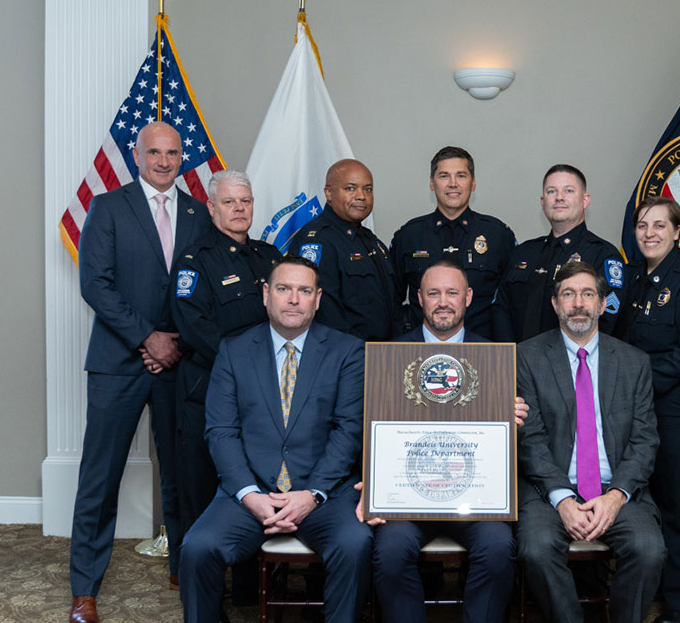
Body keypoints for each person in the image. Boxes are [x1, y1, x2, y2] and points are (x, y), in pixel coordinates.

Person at [69, 122, 211, 623]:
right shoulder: (108, 207)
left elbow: (202, 287)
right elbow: (96, 284)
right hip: (118, 362)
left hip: (179, 361)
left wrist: (172, 341)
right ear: (136, 154)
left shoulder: (199, 212)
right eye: (155, 152)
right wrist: (146, 338)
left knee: (181, 474)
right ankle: (84, 587)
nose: (165, 161)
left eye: (173, 153)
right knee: (99, 477)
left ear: (182, 157)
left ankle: (183, 565)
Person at [179, 255, 372, 623]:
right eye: (283, 289)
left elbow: (349, 431)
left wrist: (312, 494)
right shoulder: (234, 350)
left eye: (304, 291)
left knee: (355, 543)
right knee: (197, 548)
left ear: (318, 299)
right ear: (266, 294)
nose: (293, 299)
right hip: (250, 491)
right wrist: (249, 495)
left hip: (322, 494)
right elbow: (221, 431)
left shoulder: (348, 351)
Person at [366, 260, 525, 623]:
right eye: (433, 293)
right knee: (388, 552)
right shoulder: (389, 358)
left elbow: (506, 445)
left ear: (468, 298)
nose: (443, 301)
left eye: (452, 293)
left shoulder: (496, 358)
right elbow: (373, 433)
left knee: (499, 548)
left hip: (476, 498)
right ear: (419, 298)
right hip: (406, 500)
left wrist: (512, 421)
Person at [516, 261, 665, 623]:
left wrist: (615, 497)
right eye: (568, 294)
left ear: (602, 304)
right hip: (547, 491)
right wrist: (563, 499)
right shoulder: (526, 357)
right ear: (555, 304)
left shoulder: (634, 363)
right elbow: (529, 439)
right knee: (535, 549)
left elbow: (645, 440)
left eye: (587, 294)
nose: (578, 303)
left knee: (648, 549)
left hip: (615, 489)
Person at [169, 169, 282, 601]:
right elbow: (193, 326)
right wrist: (248, 369)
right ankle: (205, 597)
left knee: (256, 487)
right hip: (210, 390)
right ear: (212, 207)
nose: (240, 209)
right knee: (201, 494)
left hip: (266, 398)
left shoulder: (271, 257)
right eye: (230, 202)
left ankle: (249, 593)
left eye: (246, 201)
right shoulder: (194, 260)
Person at [614, 197, 680, 623]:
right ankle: (659, 586)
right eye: (643, 225)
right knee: (650, 502)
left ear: (679, 232)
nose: (649, 233)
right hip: (644, 411)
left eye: (660, 225)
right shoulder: (637, 281)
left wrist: (637, 385)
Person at [390, 146, 515, 339]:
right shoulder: (409, 236)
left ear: (473, 183)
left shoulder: (497, 235)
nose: (453, 183)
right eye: (444, 176)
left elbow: (510, 303)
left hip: (485, 354)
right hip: (419, 352)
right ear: (432, 183)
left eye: (461, 176)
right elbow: (393, 303)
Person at [493, 164, 626, 343]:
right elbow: (500, 309)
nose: (559, 198)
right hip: (517, 362)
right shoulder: (523, 253)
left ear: (585, 200)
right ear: (543, 202)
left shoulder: (603, 255)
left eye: (569, 191)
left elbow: (606, 321)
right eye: (551, 191)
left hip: (571, 365)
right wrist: (511, 357)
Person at [287, 159, 399, 340]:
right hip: (345, 358)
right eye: (350, 188)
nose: (361, 196)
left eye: (368, 189)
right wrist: (351, 355)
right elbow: (324, 313)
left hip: (380, 355)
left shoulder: (369, 240)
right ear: (329, 193)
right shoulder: (318, 241)